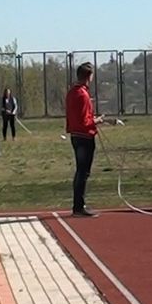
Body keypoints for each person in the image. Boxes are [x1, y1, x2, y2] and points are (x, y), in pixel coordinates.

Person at [66, 62, 103, 217]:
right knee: (83, 171)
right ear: (89, 76)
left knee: (81, 171)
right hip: (84, 136)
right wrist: (97, 120)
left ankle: (78, 205)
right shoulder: (82, 94)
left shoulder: (72, 92)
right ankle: (78, 206)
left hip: (76, 135)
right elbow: (84, 121)